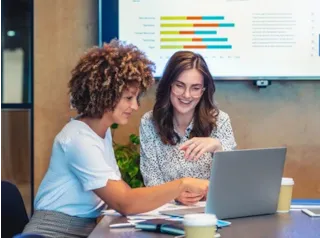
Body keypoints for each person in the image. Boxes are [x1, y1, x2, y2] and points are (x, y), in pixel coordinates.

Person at [22, 41, 209, 237]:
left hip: (84, 230)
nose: (135, 106)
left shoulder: (101, 132)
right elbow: (125, 201)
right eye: (128, 98)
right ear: (105, 95)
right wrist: (183, 183)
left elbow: (122, 192)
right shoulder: (78, 139)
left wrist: (173, 193)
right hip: (51, 232)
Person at [140, 51, 237, 205]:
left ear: (203, 91)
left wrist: (218, 147)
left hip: (210, 211)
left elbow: (233, 181)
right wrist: (174, 195)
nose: (186, 95)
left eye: (195, 88)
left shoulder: (220, 120)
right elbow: (151, 179)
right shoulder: (149, 122)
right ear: (169, 85)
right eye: (179, 86)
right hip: (167, 211)